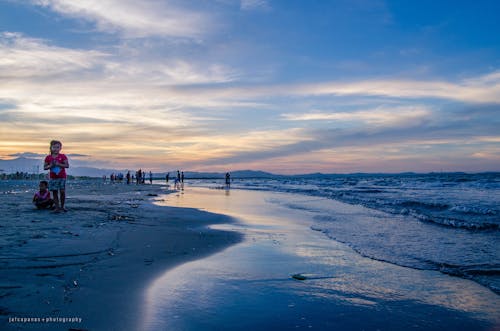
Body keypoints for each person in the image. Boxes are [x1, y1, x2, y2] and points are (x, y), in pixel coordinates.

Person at [43, 140, 69, 213]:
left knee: (62, 191)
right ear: (51, 148)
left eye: (57, 147)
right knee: (54, 192)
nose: (55, 149)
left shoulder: (63, 156)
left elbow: (67, 165)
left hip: (62, 177)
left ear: (60, 148)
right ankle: (57, 207)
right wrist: (50, 165)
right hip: (53, 177)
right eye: (54, 147)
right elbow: (45, 167)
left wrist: (58, 164)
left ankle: (62, 206)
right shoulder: (48, 157)